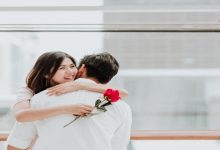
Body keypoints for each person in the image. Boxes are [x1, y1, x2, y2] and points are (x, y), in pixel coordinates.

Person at [6, 51, 128, 150]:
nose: (70, 72)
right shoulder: (29, 93)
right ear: (46, 74)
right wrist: (67, 108)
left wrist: (80, 85)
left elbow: (18, 142)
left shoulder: (39, 99)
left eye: (72, 66)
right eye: (62, 68)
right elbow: (21, 116)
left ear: (81, 68)